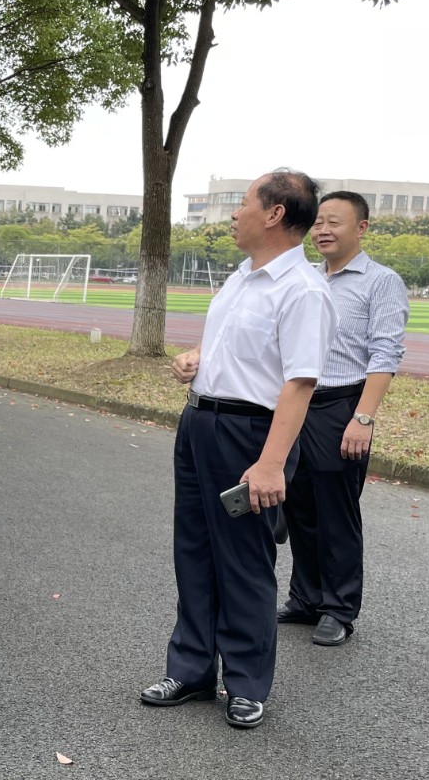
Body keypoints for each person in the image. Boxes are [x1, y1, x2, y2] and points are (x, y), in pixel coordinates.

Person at [141, 168, 337, 730]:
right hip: (200, 424)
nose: (234, 213)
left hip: (250, 436)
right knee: (194, 550)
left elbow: (300, 383)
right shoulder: (241, 278)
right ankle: (192, 670)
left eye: (244, 202)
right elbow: (241, 351)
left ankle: (247, 683)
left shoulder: (303, 291)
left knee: (245, 561)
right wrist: (196, 359)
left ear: (275, 213)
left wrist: (271, 462)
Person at [279, 191, 408, 646]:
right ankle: (305, 598)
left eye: (334, 222)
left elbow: (386, 352)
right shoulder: (307, 278)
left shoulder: (381, 282)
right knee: (298, 506)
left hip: (342, 406)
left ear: (362, 228)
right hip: (297, 403)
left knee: (337, 512)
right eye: (318, 222)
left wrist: (363, 417)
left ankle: (339, 608)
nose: (323, 230)